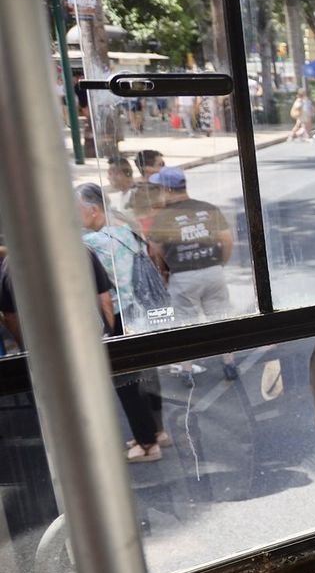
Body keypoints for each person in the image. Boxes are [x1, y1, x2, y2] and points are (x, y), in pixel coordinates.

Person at [0, 245, 164, 462]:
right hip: (89, 336)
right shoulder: (80, 249)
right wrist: (106, 334)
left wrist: (28, 347)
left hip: (47, 348)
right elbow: (104, 298)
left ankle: (84, 456)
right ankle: (143, 441)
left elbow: (11, 317)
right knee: (119, 388)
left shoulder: (12, 265)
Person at [78, 183, 171, 455]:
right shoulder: (126, 230)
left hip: (118, 317)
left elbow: (101, 294)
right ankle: (157, 431)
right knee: (148, 374)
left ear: (94, 210)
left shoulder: (93, 243)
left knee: (127, 383)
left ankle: (146, 444)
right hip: (140, 312)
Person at [147, 167, 237, 382]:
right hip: (213, 272)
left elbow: (155, 251)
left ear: (167, 189)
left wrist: (164, 272)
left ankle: (187, 370)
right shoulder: (208, 208)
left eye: (159, 188)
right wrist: (220, 264)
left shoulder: (162, 217)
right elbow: (227, 240)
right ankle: (229, 363)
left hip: (182, 277)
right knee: (220, 318)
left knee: (186, 324)